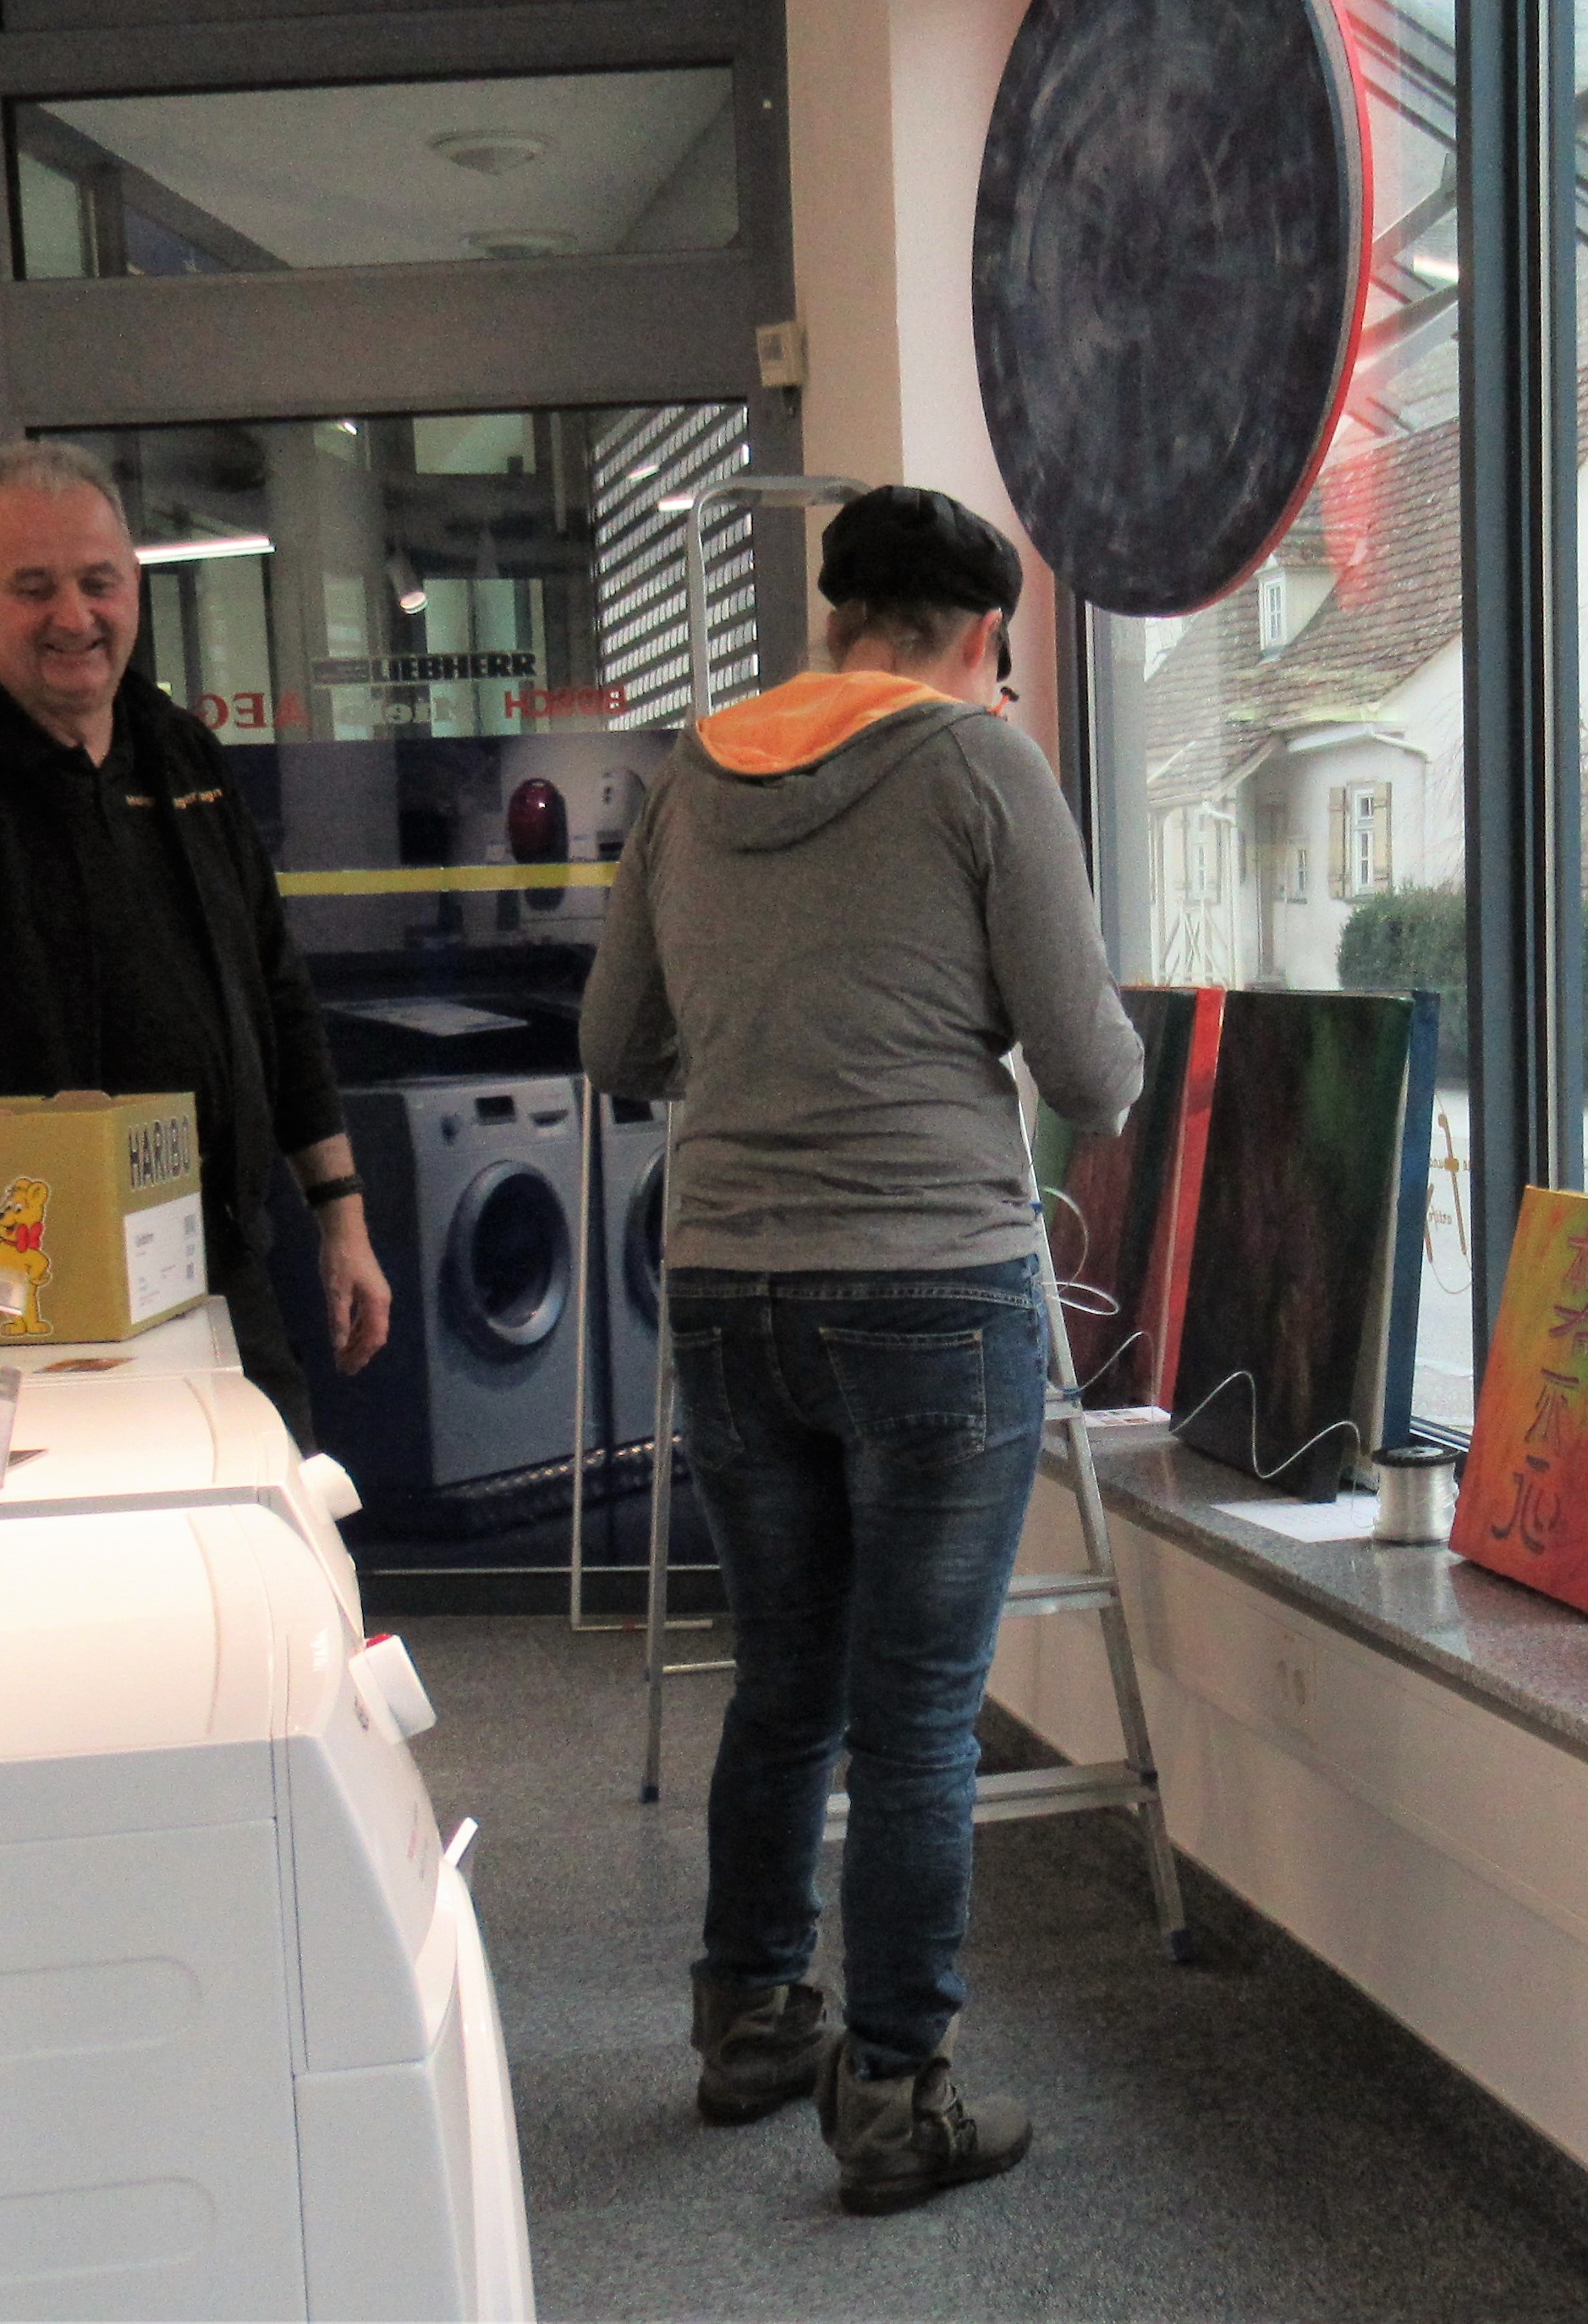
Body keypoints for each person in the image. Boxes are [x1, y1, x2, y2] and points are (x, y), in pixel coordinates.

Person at [580, 484, 1143, 2215]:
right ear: (980, 637)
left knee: (787, 1683)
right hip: (930, 1294)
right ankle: (894, 2094)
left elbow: (616, 1042)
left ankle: (753, 2019)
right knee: (916, 1719)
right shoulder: (982, 766)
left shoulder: (691, 776)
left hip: (729, 1292)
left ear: (837, 620)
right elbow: (1089, 1068)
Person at [0, 437, 389, 1443]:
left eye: (98, 581)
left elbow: (277, 992)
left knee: (270, 1514)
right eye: (34, 587)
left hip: (218, 1273)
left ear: (134, 587)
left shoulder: (185, 755)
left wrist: (342, 1217)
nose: (74, 616)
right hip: (23, 1314)